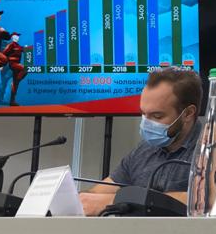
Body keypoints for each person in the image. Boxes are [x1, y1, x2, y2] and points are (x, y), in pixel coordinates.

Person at [79, 68, 203, 216]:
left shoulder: (214, 151)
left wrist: (116, 201)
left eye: (157, 116)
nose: (147, 124)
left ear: (188, 113)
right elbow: (95, 195)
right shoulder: (143, 150)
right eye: (144, 114)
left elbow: (205, 200)